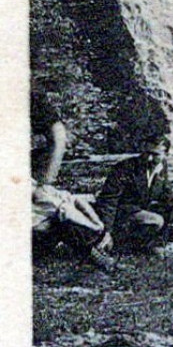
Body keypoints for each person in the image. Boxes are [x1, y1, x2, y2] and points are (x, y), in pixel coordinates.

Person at [31, 92, 114, 270]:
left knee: (62, 218)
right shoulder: (34, 189)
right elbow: (65, 211)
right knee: (62, 222)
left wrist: (100, 227)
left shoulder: (42, 188)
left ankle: (95, 250)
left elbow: (75, 200)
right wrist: (96, 227)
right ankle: (95, 253)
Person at [96, 133, 173, 255]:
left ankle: (154, 244)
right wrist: (106, 231)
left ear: (166, 155)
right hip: (122, 214)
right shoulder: (125, 168)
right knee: (156, 220)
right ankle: (126, 245)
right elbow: (109, 200)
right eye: (147, 152)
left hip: (140, 210)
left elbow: (165, 190)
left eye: (155, 154)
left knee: (170, 211)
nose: (149, 158)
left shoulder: (161, 166)